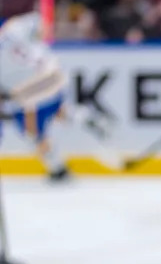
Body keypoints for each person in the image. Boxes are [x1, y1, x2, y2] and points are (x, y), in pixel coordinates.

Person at [0, 11, 115, 180]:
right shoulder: (13, 26)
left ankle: (57, 169)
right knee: (55, 111)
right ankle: (85, 118)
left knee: (33, 132)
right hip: (51, 76)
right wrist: (37, 45)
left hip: (28, 90)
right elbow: (40, 21)